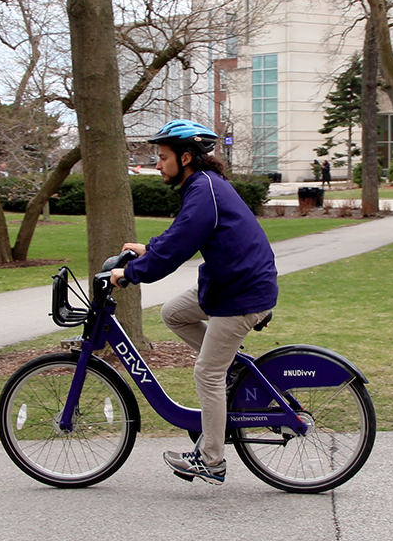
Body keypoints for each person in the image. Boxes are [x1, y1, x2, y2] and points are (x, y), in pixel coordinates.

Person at [109, 119, 277, 485]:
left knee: (207, 372)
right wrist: (149, 248)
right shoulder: (202, 186)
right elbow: (181, 234)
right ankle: (231, 367)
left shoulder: (204, 189)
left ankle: (211, 459)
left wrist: (131, 274)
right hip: (228, 286)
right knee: (174, 313)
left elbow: (178, 248)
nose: (157, 164)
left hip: (242, 293)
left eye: (163, 157)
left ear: (186, 157)